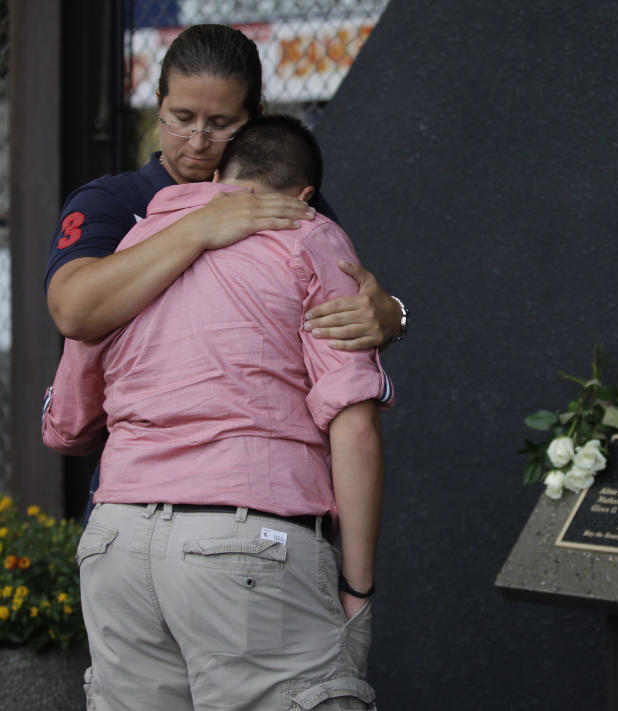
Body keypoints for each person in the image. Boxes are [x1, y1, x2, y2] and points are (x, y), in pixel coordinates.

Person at [43, 113, 390, 710]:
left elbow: (68, 423)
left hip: (118, 541)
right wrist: (358, 588)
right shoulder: (311, 235)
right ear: (305, 195)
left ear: (221, 177)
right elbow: (353, 429)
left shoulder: (134, 247)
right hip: (248, 538)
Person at [44, 23, 407, 519]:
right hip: (134, 491)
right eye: (181, 117)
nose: (196, 140)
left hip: (262, 497)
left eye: (220, 123)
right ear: (157, 103)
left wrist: (391, 317)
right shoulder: (112, 200)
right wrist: (199, 226)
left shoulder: (294, 203)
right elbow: (73, 311)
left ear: (255, 117)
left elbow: (342, 346)